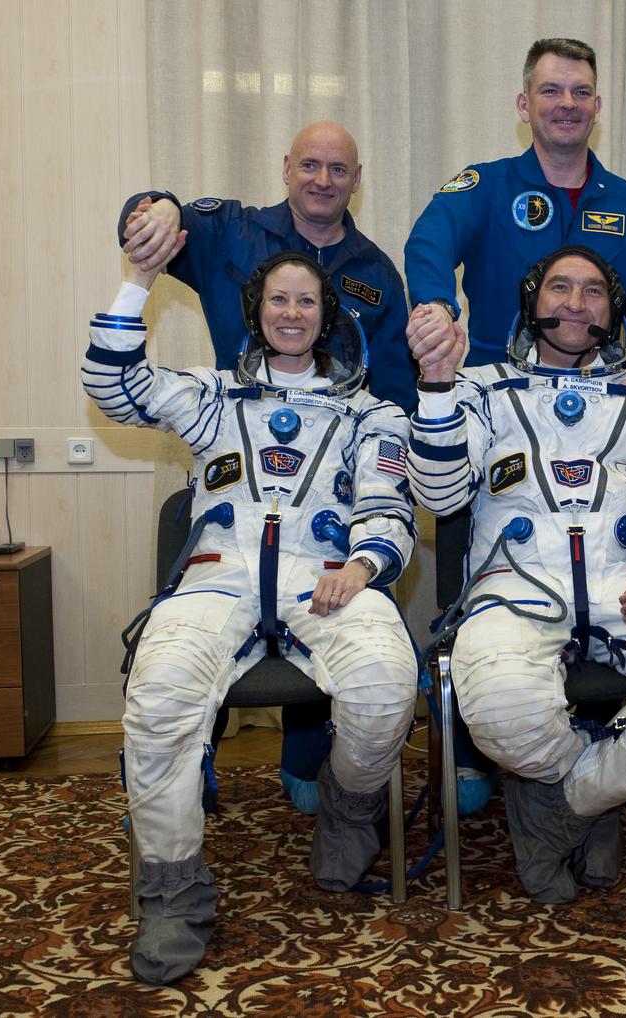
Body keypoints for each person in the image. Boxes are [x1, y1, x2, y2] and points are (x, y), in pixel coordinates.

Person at [86, 244, 418, 983]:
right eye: (278, 300)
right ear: (255, 312)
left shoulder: (371, 414)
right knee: (160, 693)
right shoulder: (211, 398)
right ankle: (172, 890)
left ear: (327, 315)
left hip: (327, 576)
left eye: (306, 301)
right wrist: (138, 281)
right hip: (218, 578)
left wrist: (362, 566)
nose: (292, 314)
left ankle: (350, 807)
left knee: (389, 683)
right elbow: (111, 385)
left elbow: (388, 505)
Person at [406, 246, 626, 903]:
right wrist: (438, 384)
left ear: (614, 314)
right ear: (531, 303)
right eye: (560, 288)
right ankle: (594, 793)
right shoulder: (479, 389)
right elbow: (439, 495)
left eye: (593, 292)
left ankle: (566, 806)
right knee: (499, 701)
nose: (575, 303)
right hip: (516, 587)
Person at [118, 120, 413, 814]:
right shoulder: (236, 233)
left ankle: (316, 773)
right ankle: (197, 757)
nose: (322, 180)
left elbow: (394, 389)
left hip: (327, 496)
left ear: (356, 180)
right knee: (193, 645)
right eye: (309, 165)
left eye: (338, 170)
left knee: (351, 664)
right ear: (286, 167)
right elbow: (155, 227)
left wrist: (384, 461)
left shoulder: (375, 272)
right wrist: (154, 203)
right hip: (233, 451)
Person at [405, 37, 626, 446]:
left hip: (602, 416)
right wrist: (436, 305)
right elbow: (427, 242)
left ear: (597, 108)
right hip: (498, 408)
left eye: (581, 92)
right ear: (524, 105)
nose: (567, 103)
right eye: (551, 91)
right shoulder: (487, 187)